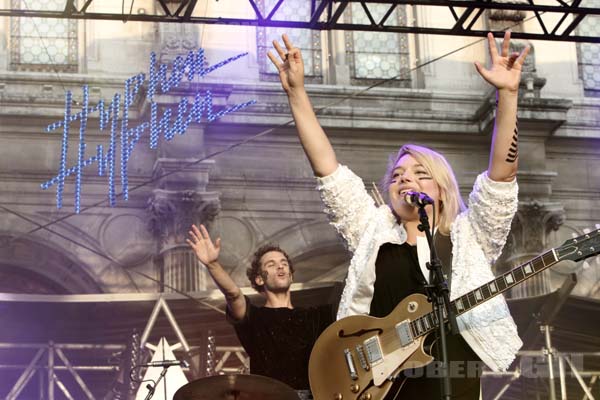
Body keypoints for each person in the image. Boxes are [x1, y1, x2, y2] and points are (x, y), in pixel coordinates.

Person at [267, 31, 530, 399]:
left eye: (421, 174)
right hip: (382, 383)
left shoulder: (469, 236)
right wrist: (296, 92)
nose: (406, 178)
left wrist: (508, 94)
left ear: (442, 188)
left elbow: (503, 177)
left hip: (453, 379)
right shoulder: (372, 229)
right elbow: (327, 168)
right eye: (398, 175)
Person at [186, 224, 335, 394]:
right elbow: (233, 295)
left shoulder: (315, 316)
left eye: (284, 263)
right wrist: (213, 264)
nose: (280, 267)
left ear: (291, 275)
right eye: (271, 265)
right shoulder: (254, 318)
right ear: (259, 279)